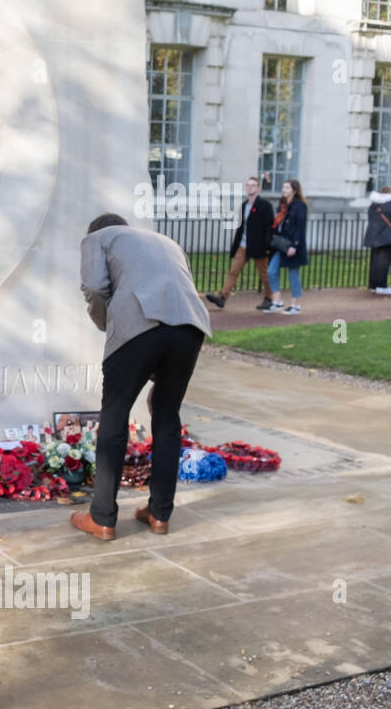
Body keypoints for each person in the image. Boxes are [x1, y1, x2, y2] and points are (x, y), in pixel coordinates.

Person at [73, 214, 212, 540]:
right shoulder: (165, 242)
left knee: (114, 416)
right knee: (167, 415)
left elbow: (94, 287)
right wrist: (158, 378)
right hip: (191, 327)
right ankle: (159, 514)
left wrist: (110, 324)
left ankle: (103, 518)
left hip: (138, 329)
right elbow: (169, 300)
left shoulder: (98, 238)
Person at [205, 175, 272, 309]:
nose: (249, 187)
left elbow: (269, 227)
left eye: (253, 185)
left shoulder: (265, 205)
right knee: (233, 271)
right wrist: (235, 246)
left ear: (258, 189)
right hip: (243, 245)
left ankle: (269, 298)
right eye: (248, 185)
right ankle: (222, 297)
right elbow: (241, 227)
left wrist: (268, 246)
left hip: (259, 247)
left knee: (264, 274)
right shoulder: (243, 205)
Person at [264, 178, 308, 314]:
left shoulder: (300, 206)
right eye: (283, 187)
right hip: (281, 245)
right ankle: (277, 302)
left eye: (287, 187)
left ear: (294, 190)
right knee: (271, 271)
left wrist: (294, 245)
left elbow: (301, 228)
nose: (284, 190)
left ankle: (295, 305)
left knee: (293, 273)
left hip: (293, 246)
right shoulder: (282, 206)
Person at [365, 185, 391, 294]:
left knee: (375, 263)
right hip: (386, 237)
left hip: (373, 236)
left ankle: (373, 285)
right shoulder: (389, 205)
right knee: (382, 264)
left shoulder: (373, 205)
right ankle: (381, 286)